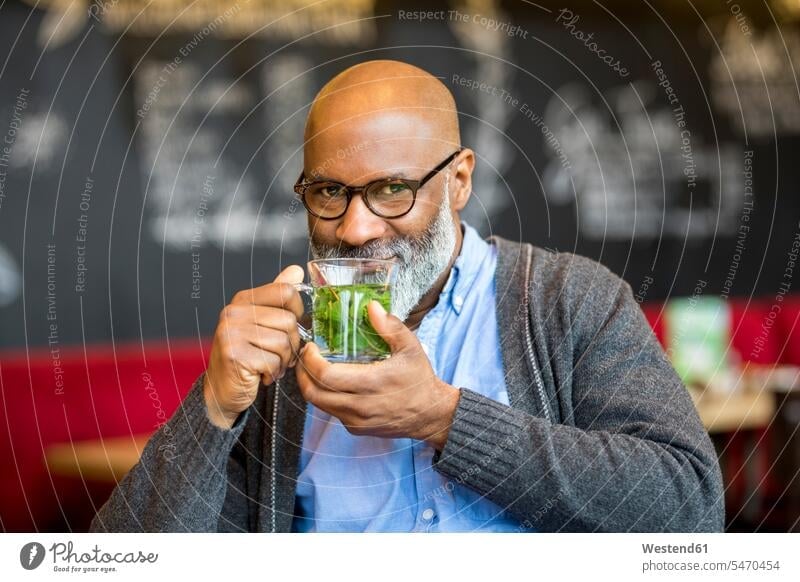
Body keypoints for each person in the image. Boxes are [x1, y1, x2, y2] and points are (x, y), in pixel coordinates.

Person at [90, 60, 724, 533]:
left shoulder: (568, 300)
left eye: (392, 189)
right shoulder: (282, 354)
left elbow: (690, 508)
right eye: (329, 192)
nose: (356, 228)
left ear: (458, 181)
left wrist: (442, 417)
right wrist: (212, 411)